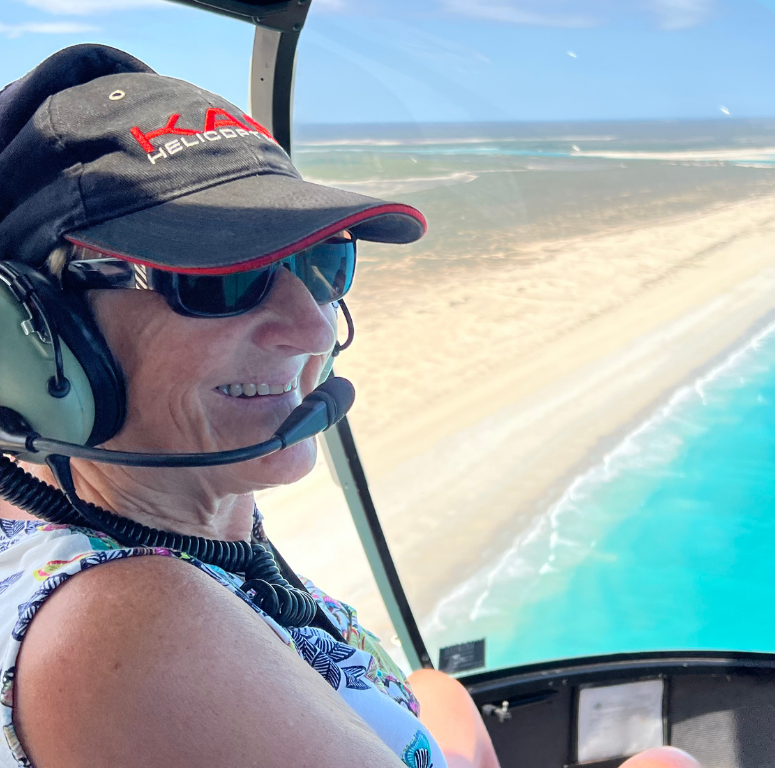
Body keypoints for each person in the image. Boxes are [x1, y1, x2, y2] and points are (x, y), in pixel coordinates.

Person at [0, 44, 704, 768]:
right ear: (35, 336)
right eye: (218, 282)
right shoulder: (131, 627)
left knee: (439, 690)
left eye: (321, 263)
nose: (311, 327)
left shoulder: (151, 527)